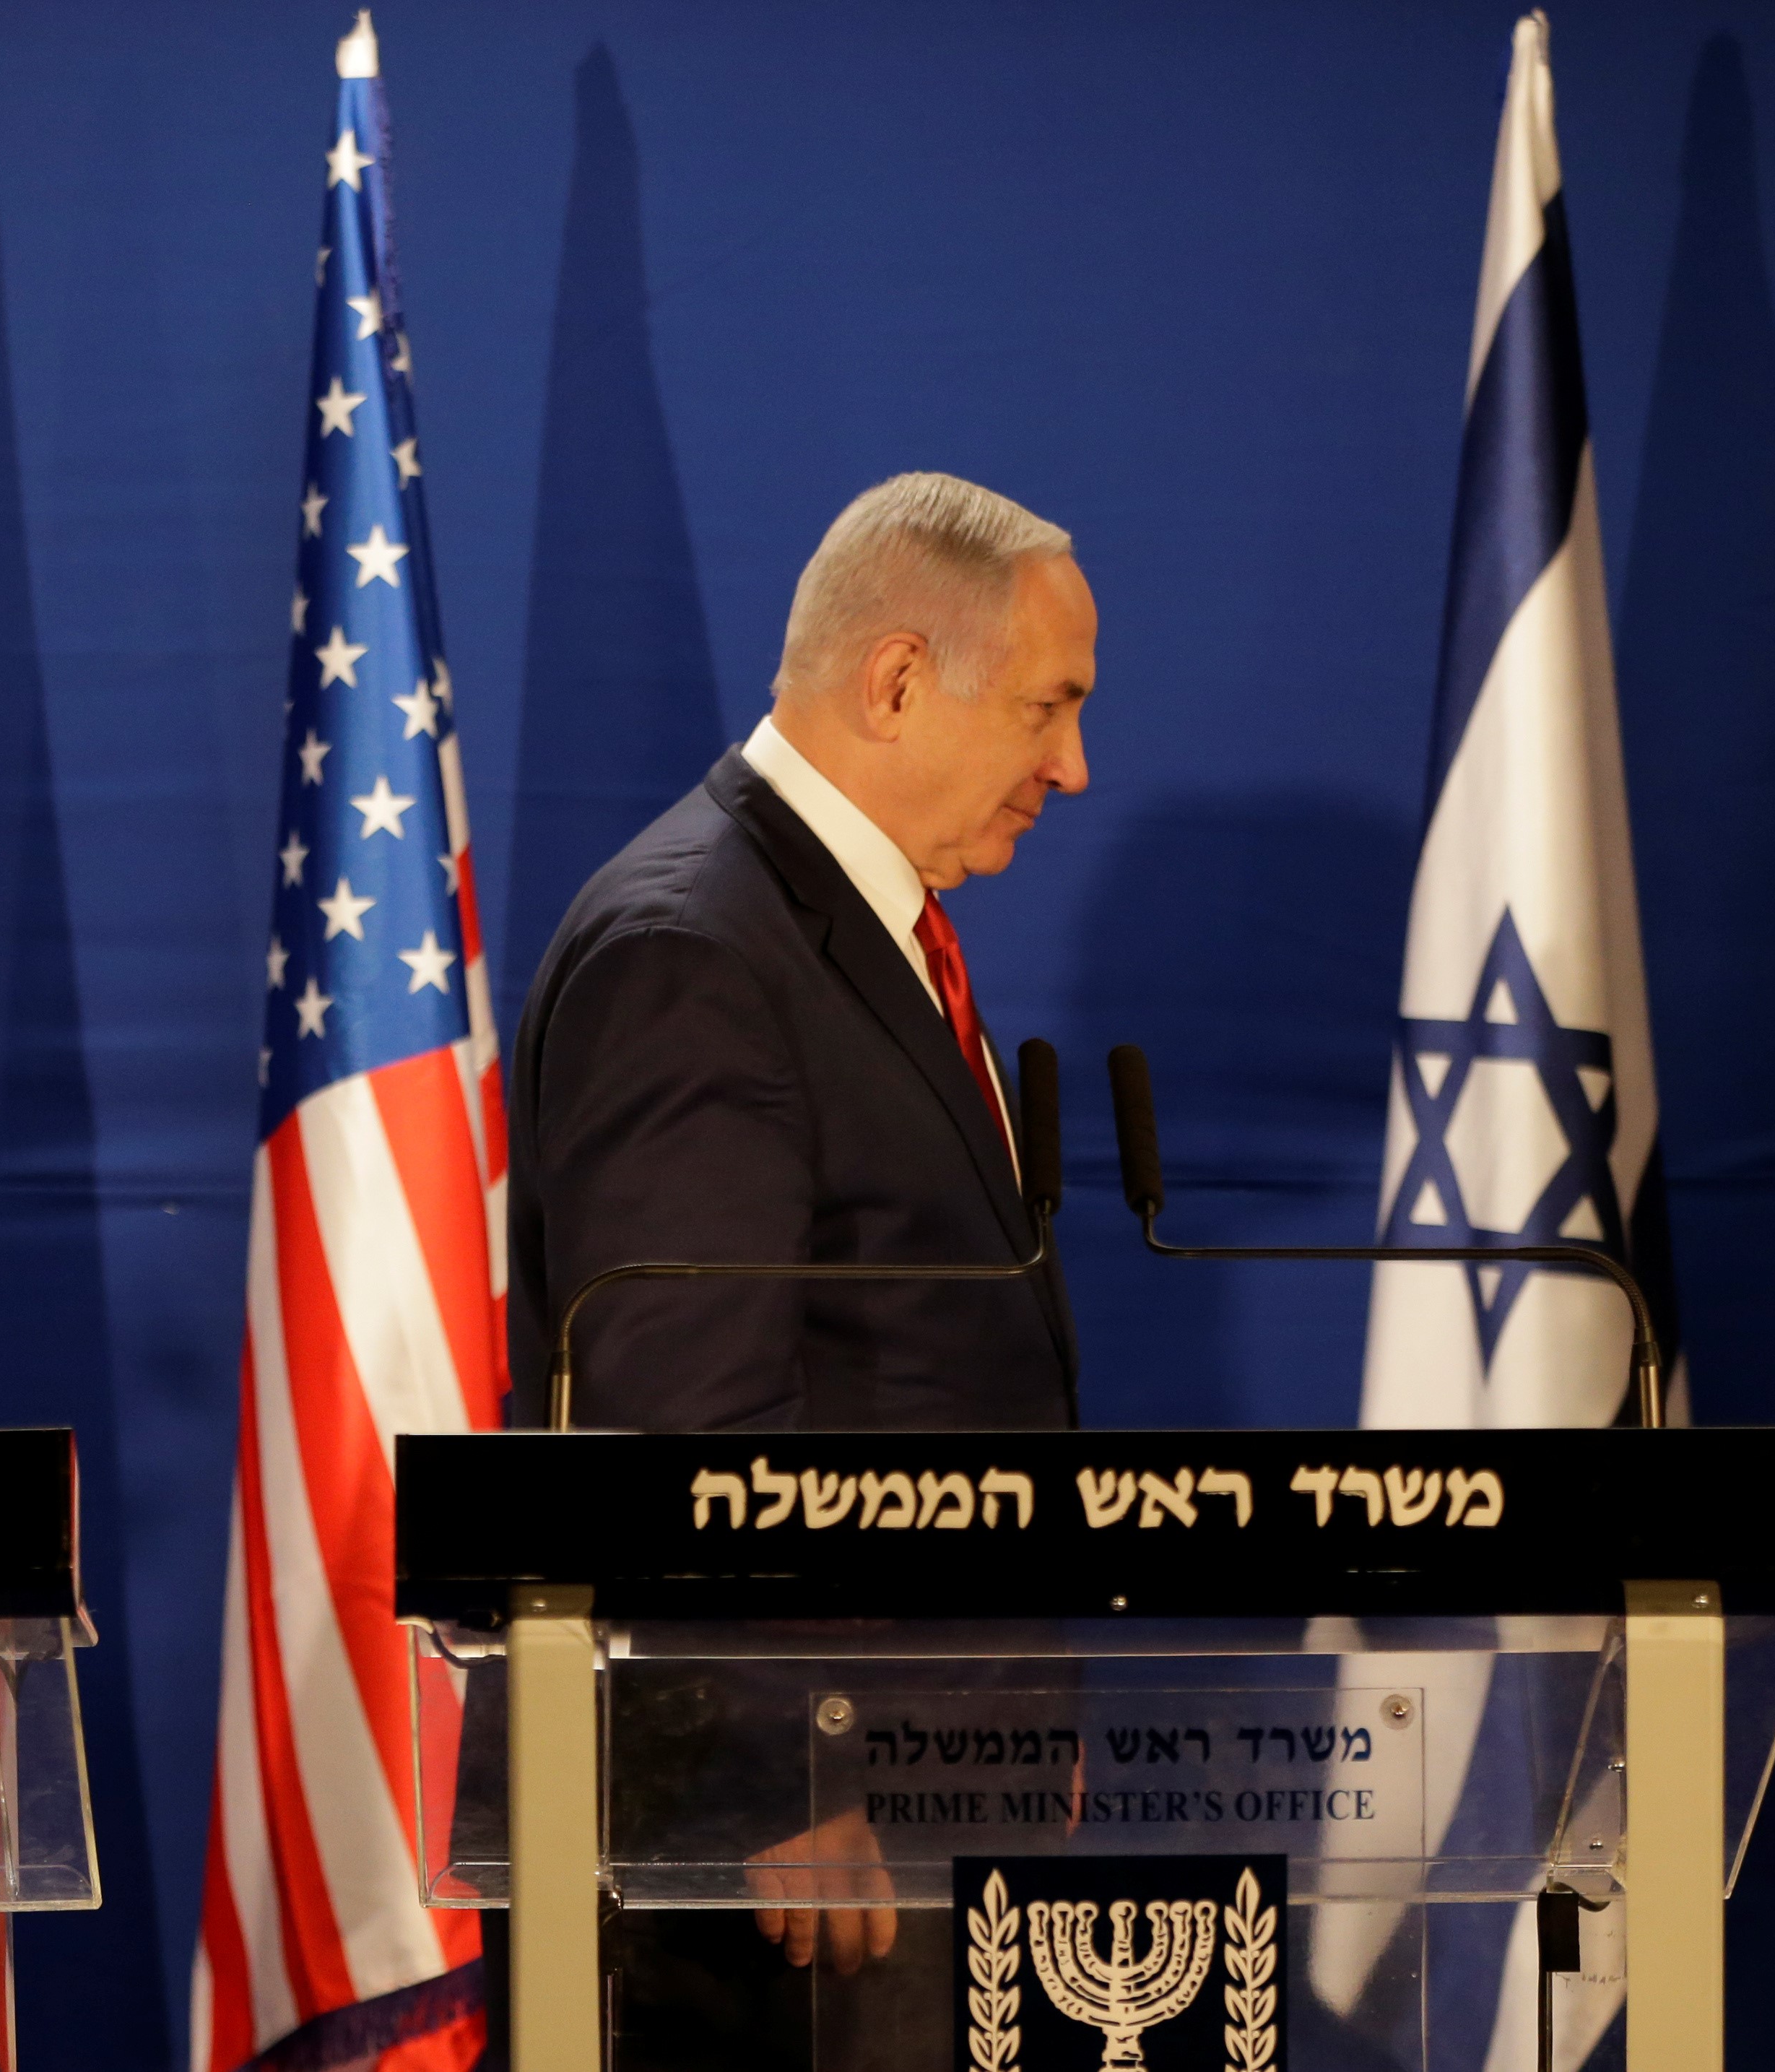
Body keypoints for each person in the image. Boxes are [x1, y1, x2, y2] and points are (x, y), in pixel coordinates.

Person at [496, 474, 1095, 2060]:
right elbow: (678, 1425)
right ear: (897, 679)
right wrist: (780, 1780)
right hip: (814, 1861)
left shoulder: (829, 925)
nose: (1071, 765)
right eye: (1048, 707)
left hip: (930, 1802)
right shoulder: (695, 950)